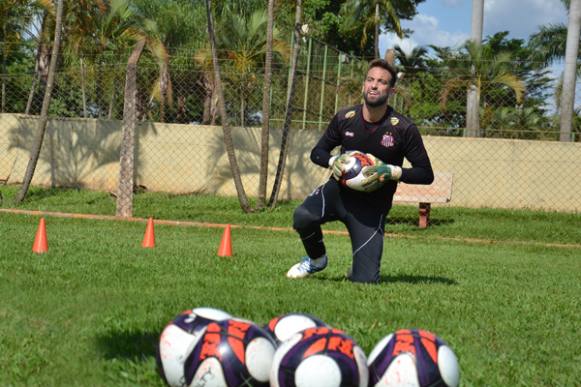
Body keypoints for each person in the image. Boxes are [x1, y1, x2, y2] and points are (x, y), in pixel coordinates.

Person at [287, 58, 434, 284]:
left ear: (391, 90)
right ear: (364, 84)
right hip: (337, 194)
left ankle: (358, 269)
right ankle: (316, 260)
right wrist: (332, 160)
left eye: (381, 82)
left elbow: (426, 174)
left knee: (364, 281)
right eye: (370, 80)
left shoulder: (403, 128)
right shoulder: (346, 118)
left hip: (371, 209)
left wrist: (393, 172)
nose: (374, 85)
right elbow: (318, 152)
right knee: (303, 216)